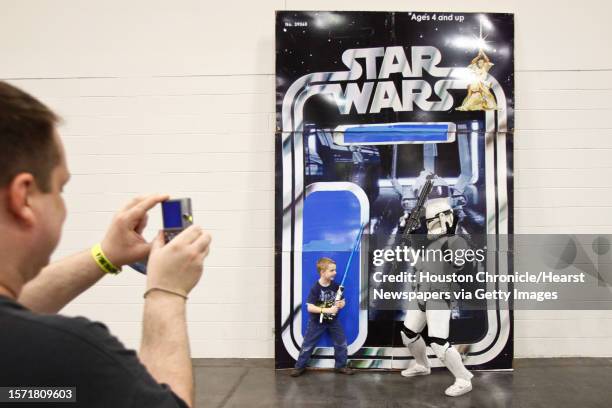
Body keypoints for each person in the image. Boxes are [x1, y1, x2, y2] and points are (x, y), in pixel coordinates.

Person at [0, 81, 211, 407]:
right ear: (24, 198)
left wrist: (106, 256)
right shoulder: (68, 354)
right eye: (60, 188)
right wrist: (166, 292)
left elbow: (13, 312)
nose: (62, 204)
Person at [399, 198, 474, 397]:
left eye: (430, 221)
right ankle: (422, 365)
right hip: (421, 292)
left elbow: (458, 263)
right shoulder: (429, 241)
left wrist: (450, 238)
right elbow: (418, 261)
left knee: (438, 342)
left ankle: (464, 378)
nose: (427, 225)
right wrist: (407, 235)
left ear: (443, 218)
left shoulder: (455, 241)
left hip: (439, 296)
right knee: (408, 333)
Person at [290, 257, 353, 377]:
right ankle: (299, 367)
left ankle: (341, 366)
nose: (335, 272)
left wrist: (341, 304)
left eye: (335, 270)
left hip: (333, 321)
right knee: (308, 345)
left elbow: (343, 301)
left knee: (341, 343)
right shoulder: (316, 288)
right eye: (332, 270)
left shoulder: (336, 286)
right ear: (322, 272)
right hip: (316, 322)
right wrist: (327, 310)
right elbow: (310, 307)